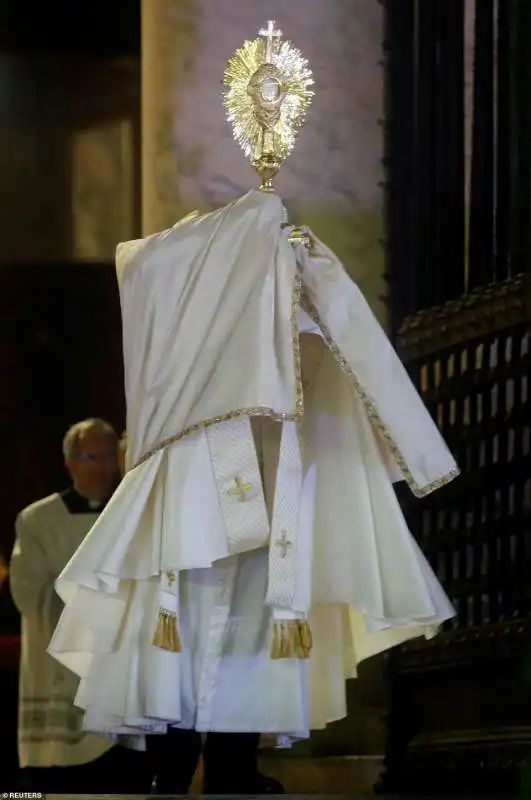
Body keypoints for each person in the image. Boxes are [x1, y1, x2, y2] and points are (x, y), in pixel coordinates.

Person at [47, 25, 458, 795]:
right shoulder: (174, 273)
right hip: (190, 472)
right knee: (174, 627)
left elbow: (335, 353)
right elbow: (142, 270)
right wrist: (250, 237)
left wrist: (299, 280)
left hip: (272, 478)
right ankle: (172, 767)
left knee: (244, 634)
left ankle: (235, 764)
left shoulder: (290, 278)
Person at [9, 418, 153, 794]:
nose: (105, 466)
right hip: (60, 659)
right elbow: (28, 591)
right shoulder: (37, 520)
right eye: (94, 456)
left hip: (119, 656)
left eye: (110, 456)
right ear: (70, 461)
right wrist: (92, 602)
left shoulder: (132, 516)